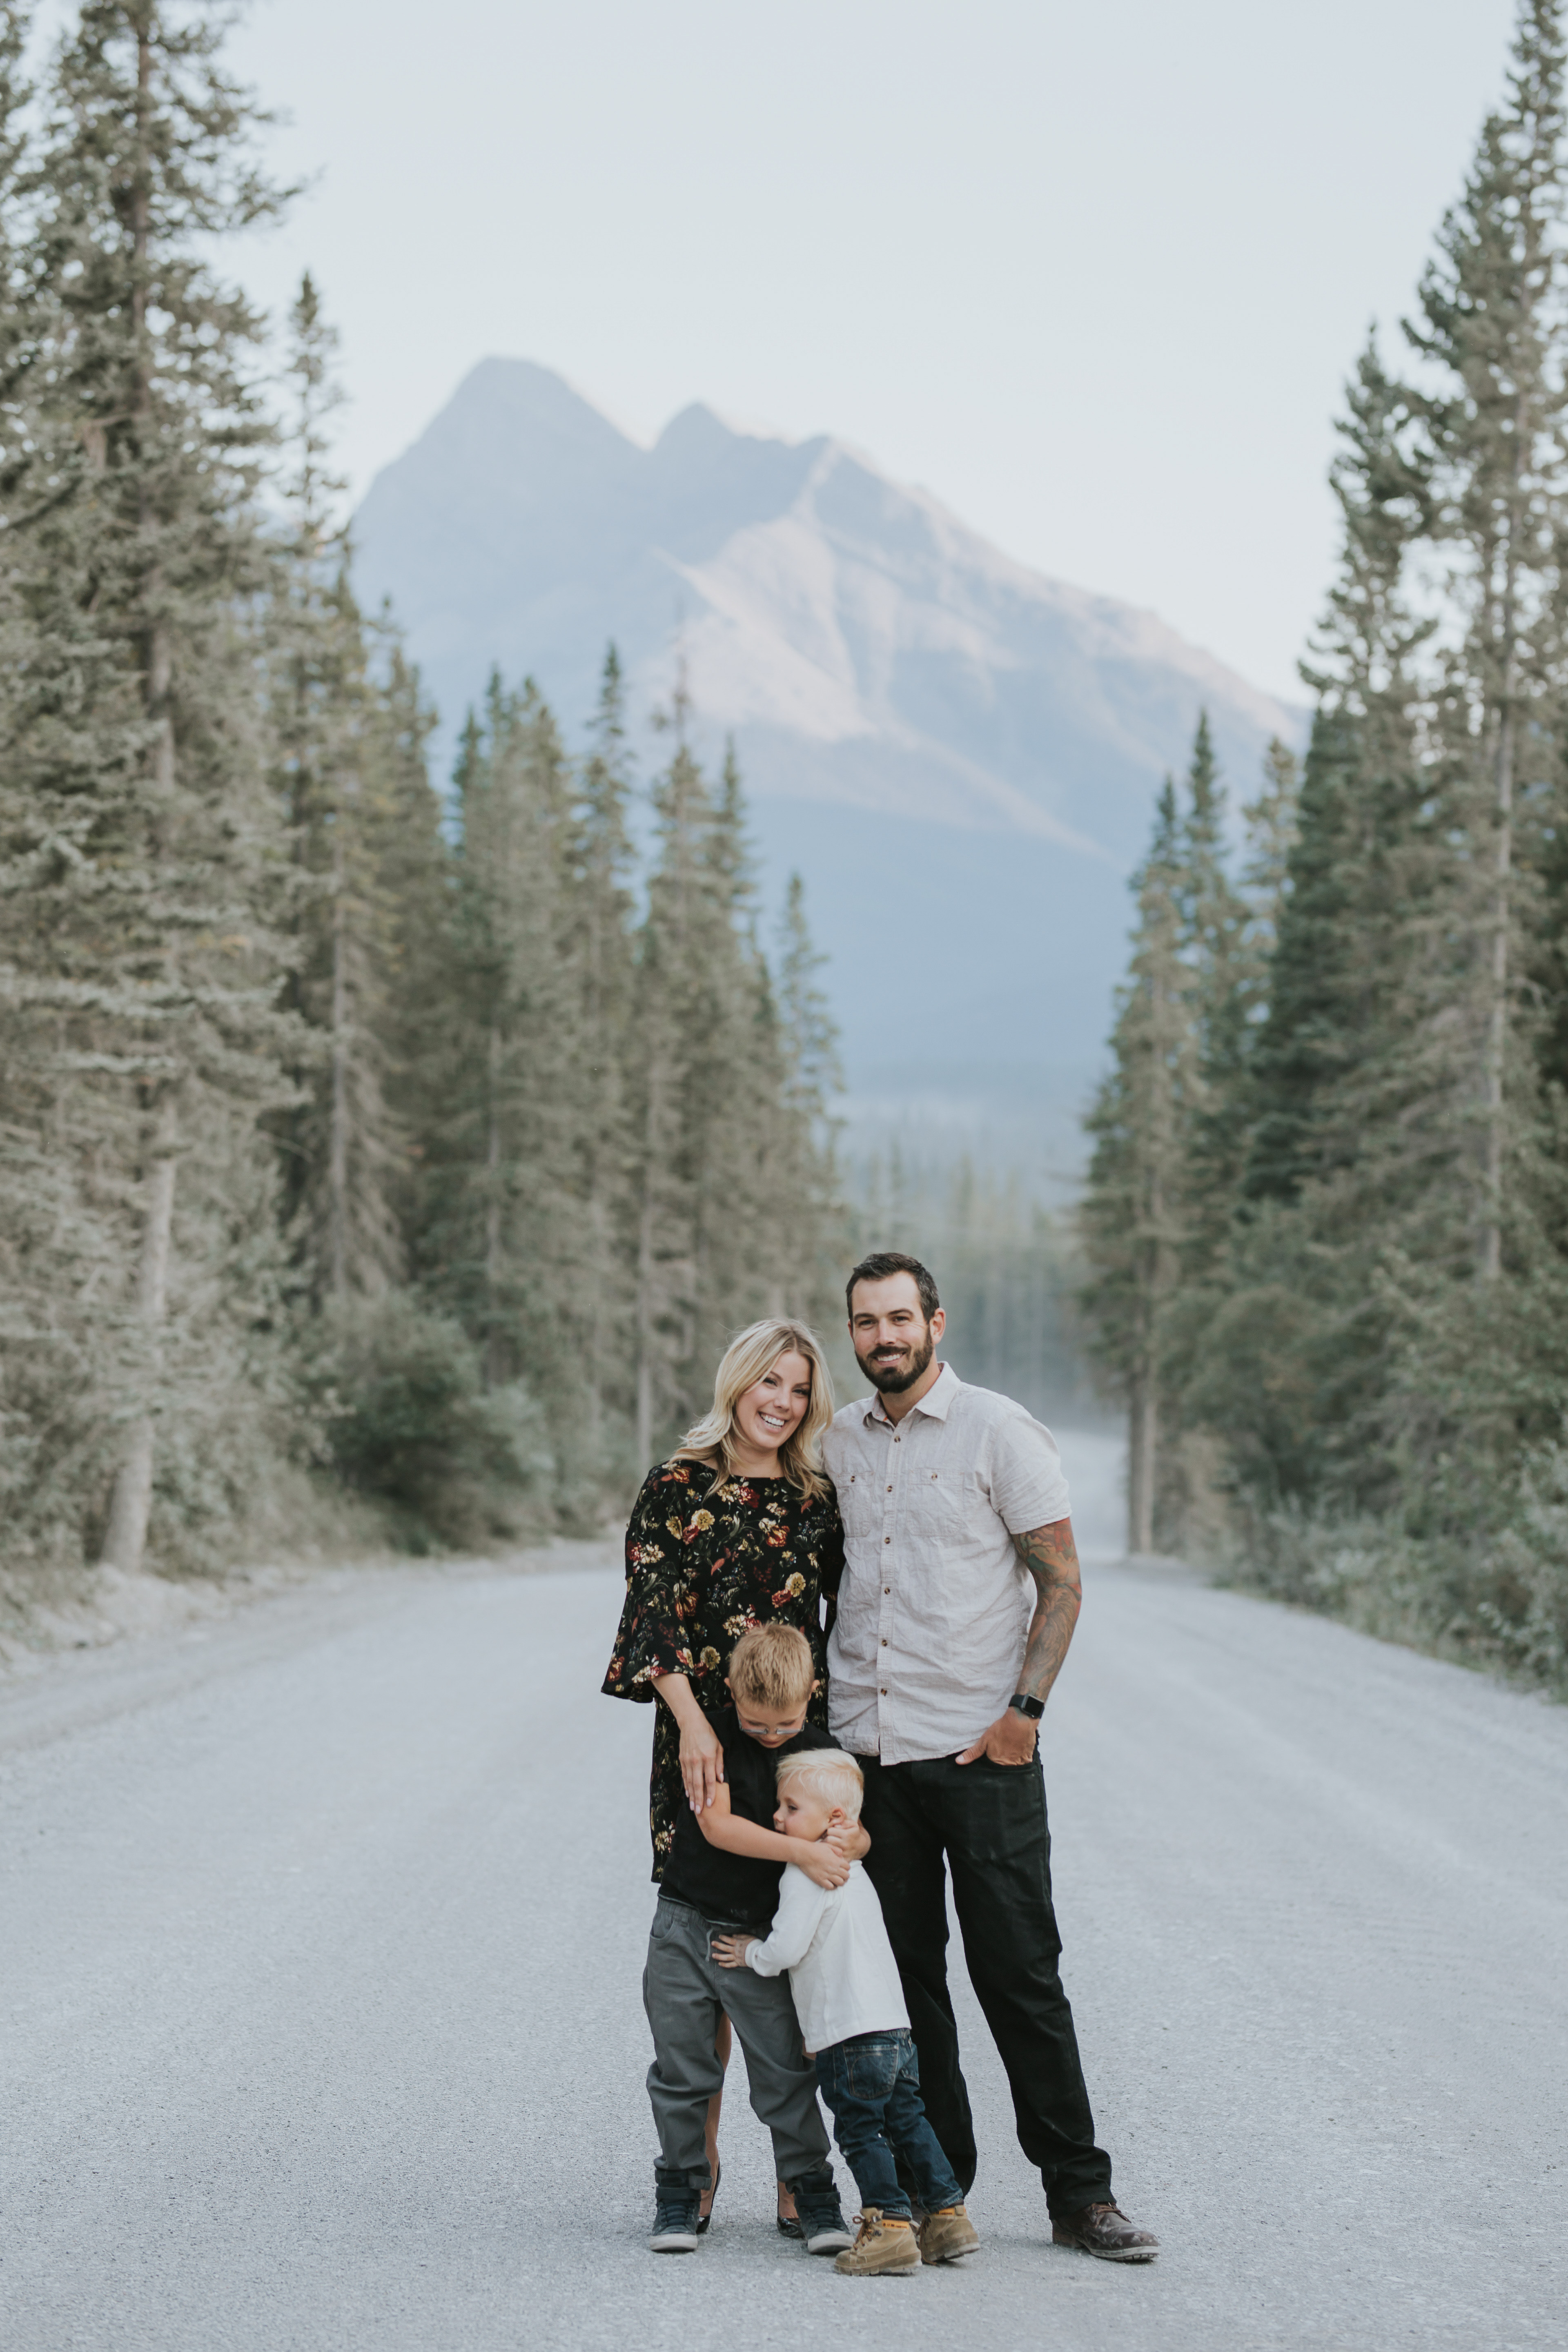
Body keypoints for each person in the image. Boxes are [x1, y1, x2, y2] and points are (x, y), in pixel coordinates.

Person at [823, 1250, 1160, 2264]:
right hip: (871, 1755)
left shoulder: (998, 1430)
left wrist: (1025, 1713)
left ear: (936, 1323)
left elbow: (1062, 1583)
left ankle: (1080, 2194)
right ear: (853, 1333)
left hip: (983, 1754)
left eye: (899, 1318)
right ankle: (942, 2191)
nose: (883, 1336)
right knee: (906, 1989)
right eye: (866, 1322)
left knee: (1020, 1976)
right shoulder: (838, 1440)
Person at [601, 1318, 847, 2233]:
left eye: (798, 1389)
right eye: (768, 1382)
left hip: (796, 1744)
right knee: (706, 1932)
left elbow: (849, 1612)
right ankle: (694, 2170)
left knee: (791, 1932)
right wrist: (694, 1726)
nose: (781, 1402)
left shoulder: (815, 1499)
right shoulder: (676, 1485)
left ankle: (799, 2174)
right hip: (699, 1735)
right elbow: (651, 1614)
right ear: (738, 1382)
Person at [714, 1746, 981, 2279]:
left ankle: (890, 2227)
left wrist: (750, 1953)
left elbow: (788, 1949)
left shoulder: (806, 1871)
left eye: (791, 1808)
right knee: (908, 2120)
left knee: (861, 2132)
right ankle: (949, 2217)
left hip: (849, 2034)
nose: (777, 1817)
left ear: (835, 1817)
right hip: (894, 2028)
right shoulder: (855, 1869)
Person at [639, 1624, 855, 2257]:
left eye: (785, 1724)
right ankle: (682, 2188)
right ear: (730, 1690)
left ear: (812, 1695)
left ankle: (810, 2188)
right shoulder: (713, 1740)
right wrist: (803, 1852)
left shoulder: (823, 1756)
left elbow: (853, 1831)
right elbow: (718, 1826)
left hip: (762, 1937)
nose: (770, 1736)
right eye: (756, 1723)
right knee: (681, 2068)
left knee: (784, 2070)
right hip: (685, 1924)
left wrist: (848, 1842)